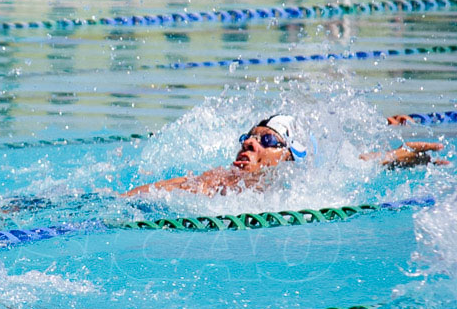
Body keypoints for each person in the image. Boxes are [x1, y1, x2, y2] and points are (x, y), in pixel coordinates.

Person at [122, 113, 448, 198]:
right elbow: (174, 186)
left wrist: (417, 158)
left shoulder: (314, 179)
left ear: (288, 156)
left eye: (266, 139)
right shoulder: (224, 179)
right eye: (248, 136)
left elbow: (369, 163)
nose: (250, 143)